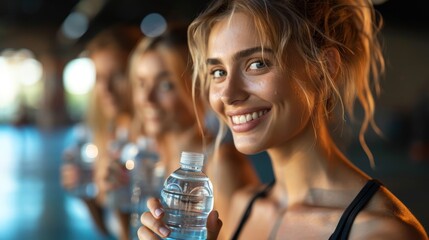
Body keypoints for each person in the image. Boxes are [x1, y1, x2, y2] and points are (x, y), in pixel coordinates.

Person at [138, 0, 428, 239]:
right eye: (218, 71)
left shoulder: (381, 233)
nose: (228, 94)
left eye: (257, 64)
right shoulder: (241, 206)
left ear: (323, 68)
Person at [128, 24, 259, 239]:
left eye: (165, 85)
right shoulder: (150, 159)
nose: (146, 99)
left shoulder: (221, 164)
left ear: (198, 87)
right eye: (141, 84)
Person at [61, 24, 141, 240]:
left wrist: (118, 200)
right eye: (99, 77)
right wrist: (86, 192)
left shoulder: (149, 144)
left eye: (117, 75)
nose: (105, 88)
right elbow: (108, 230)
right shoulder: (99, 135)